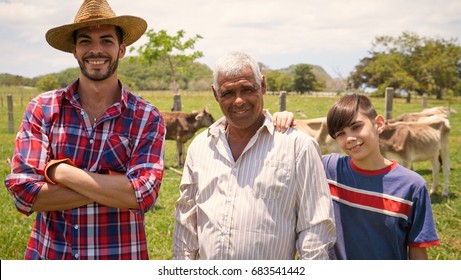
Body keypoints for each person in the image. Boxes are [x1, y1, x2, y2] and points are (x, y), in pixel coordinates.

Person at [4, 0, 165, 260]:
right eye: (86, 41)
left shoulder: (147, 116)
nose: (96, 50)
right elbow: (24, 193)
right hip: (52, 257)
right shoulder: (44, 108)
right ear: (74, 50)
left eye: (106, 41)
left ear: (121, 50)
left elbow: (143, 193)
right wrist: (112, 187)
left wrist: (58, 171)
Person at [172, 51, 336, 260]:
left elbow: (316, 228)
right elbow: (186, 221)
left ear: (263, 86)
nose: (239, 101)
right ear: (215, 94)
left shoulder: (297, 146)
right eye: (228, 93)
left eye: (247, 89)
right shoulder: (201, 147)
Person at [274, 94, 440, 259]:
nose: (350, 138)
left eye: (356, 126)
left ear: (379, 124)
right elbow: (290, 162)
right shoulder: (329, 168)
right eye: (341, 133)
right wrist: (283, 121)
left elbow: (417, 252)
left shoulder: (412, 186)